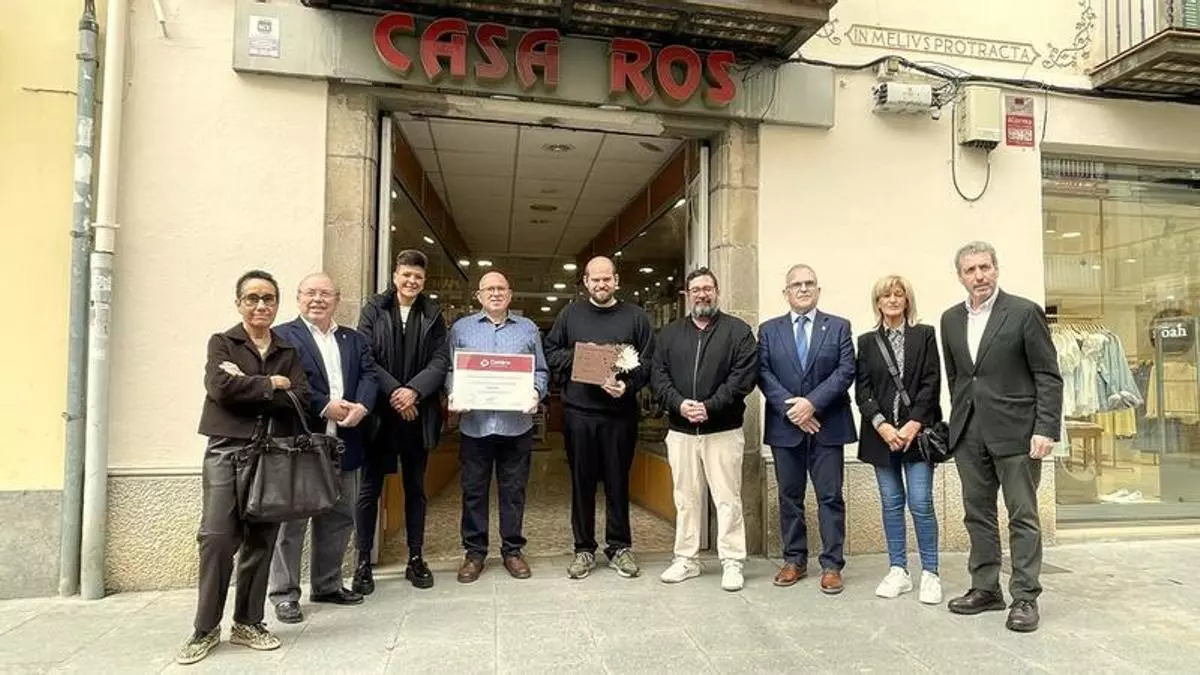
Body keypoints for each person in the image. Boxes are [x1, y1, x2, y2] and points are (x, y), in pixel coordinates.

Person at [176, 270, 310, 665]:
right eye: (252, 298)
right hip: (226, 450)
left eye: (268, 298)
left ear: (277, 304)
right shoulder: (223, 342)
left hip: (271, 454)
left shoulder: (288, 350)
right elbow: (220, 389)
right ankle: (204, 629)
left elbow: (300, 398)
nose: (261, 305)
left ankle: (248, 623)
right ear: (239, 304)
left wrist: (249, 384)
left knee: (261, 539)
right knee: (217, 539)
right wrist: (271, 384)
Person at [940, 241, 1063, 633]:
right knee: (977, 513)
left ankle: (1025, 597)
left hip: (1017, 432)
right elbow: (958, 377)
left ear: (996, 269)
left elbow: (1048, 375)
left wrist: (1045, 428)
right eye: (970, 270)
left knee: (1022, 515)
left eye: (985, 267)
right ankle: (986, 588)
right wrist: (959, 422)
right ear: (960, 276)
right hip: (969, 432)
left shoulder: (1024, 312)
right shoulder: (950, 319)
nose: (979, 276)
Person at [267, 272, 378, 624]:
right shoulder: (283, 337)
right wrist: (323, 405)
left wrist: (363, 406)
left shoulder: (353, 339)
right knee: (292, 522)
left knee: (340, 515)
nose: (318, 299)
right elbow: (286, 385)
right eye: (310, 293)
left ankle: (327, 584)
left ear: (337, 299)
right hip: (300, 442)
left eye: (325, 293)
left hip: (345, 441)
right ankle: (284, 594)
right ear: (298, 297)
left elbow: (370, 375)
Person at [544, 256, 654, 580]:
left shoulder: (636, 317)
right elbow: (551, 353)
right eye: (595, 279)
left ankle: (619, 547)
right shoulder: (570, 315)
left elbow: (649, 362)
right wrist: (583, 355)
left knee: (618, 482)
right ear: (586, 282)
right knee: (582, 483)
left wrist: (628, 385)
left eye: (607, 279)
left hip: (620, 415)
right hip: (579, 414)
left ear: (616, 281)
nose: (601, 284)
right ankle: (584, 549)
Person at [650, 268, 758, 592]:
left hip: (723, 430)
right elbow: (658, 376)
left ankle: (732, 561)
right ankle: (686, 559)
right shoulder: (669, 335)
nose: (702, 294)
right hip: (681, 431)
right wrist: (679, 404)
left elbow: (743, 378)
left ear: (717, 292)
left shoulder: (738, 332)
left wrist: (710, 406)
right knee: (685, 498)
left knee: (727, 498)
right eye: (696, 289)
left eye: (708, 288)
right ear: (687, 295)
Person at [445, 270, 549, 583]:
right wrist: (454, 391)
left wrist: (535, 392)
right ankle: (474, 553)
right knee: (473, 492)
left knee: (513, 492)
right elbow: (450, 369)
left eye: (501, 288)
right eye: (489, 289)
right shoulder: (461, 329)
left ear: (510, 294)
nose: (495, 293)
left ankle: (512, 551)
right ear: (478, 295)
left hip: (516, 426)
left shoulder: (528, 329)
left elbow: (541, 370)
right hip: (475, 426)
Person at [355, 249, 449, 592]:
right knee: (369, 489)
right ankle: (362, 562)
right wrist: (397, 392)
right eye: (406, 275)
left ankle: (415, 557)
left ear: (424, 281)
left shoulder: (433, 314)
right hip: (380, 415)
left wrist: (414, 392)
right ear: (395, 276)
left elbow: (441, 360)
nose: (411, 281)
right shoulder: (373, 309)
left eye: (418, 277)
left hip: (416, 415)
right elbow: (365, 356)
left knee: (415, 489)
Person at [758, 264, 856, 594]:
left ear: (818, 290)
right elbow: (763, 374)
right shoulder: (769, 330)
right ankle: (794, 560)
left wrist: (811, 404)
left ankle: (832, 565)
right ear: (785, 292)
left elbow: (845, 371)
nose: (803, 289)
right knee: (789, 496)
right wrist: (795, 411)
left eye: (809, 283)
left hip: (828, 426)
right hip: (785, 428)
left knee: (830, 497)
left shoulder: (838, 327)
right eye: (796, 284)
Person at [853, 275, 943, 604]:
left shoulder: (925, 335)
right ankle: (898, 570)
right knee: (891, 504)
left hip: (916, 437)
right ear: (877, 303)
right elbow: (862, 391)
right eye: (886, 295)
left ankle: (930, 573)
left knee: (920, 503)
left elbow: (931, 383)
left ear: (907, 300)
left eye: (898, 294)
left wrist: (912, 425)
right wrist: (883, 427)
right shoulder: (866, 342)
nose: (892, 300)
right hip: (881, 437)